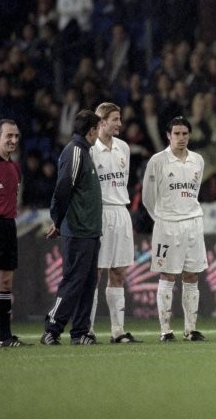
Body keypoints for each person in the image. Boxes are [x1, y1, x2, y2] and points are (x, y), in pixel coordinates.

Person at [143, 116, 208, 342]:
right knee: (168, 275)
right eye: (177, 134)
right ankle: (166, 330)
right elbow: (148, 197)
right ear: (168, 136)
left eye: (185, 134)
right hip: (167, 224)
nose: (181, 138)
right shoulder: (157, 161)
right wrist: (162, 218)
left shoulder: (198, 160)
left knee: (192, 275)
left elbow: (194, 191)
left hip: (193, 223)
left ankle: (190, 329)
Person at [42, 110, 104, 345]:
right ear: (91, 131)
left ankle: (79, 332)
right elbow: (63, 188)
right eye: (97, 129)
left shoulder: (84, 152)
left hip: (89, 230)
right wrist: (57, 221)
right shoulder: (76, 152)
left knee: (87, 282)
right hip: (78, 229)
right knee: (74, 280)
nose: (99, 134)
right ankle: (52, 328)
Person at [89, 102, 140, 343]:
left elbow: (122, 181)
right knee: (95, 273)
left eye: (119, 119)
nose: (120, 123)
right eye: (115, 119)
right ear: (102, 122)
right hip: (99, 214)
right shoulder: (90, 150)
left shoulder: (124, 148)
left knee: (118, 272)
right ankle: (86, 329)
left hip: (121, 211)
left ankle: (117, 331)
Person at [0, 119, 27, 347]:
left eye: (16, 136)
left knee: (5, 284)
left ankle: (5, 337)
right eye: (8, 136)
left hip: (8, 227)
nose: (13, 140)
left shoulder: (15, 168)